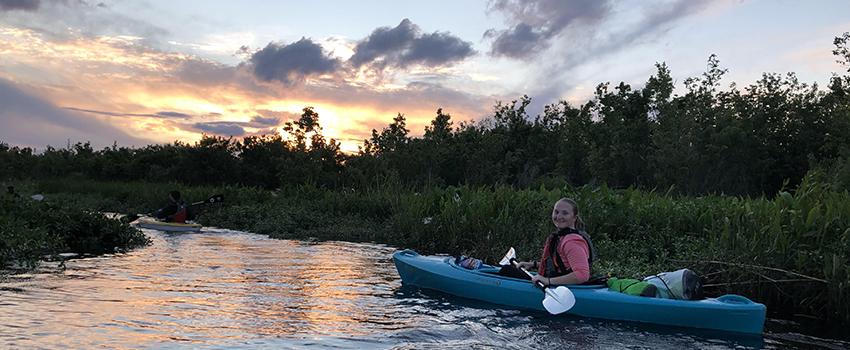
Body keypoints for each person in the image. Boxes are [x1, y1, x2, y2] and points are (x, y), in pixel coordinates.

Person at [501, 198, 596, 286]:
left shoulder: (572, 242)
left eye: (565, 213)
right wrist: (533, 265)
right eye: (556, 212)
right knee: (510, 270)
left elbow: (582, 275)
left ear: (574, 218)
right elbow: (560, 265)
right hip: (559, 284)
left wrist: (547, 281)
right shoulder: (562, 237)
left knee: (507, 270)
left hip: (565, 290)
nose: (559, 216)